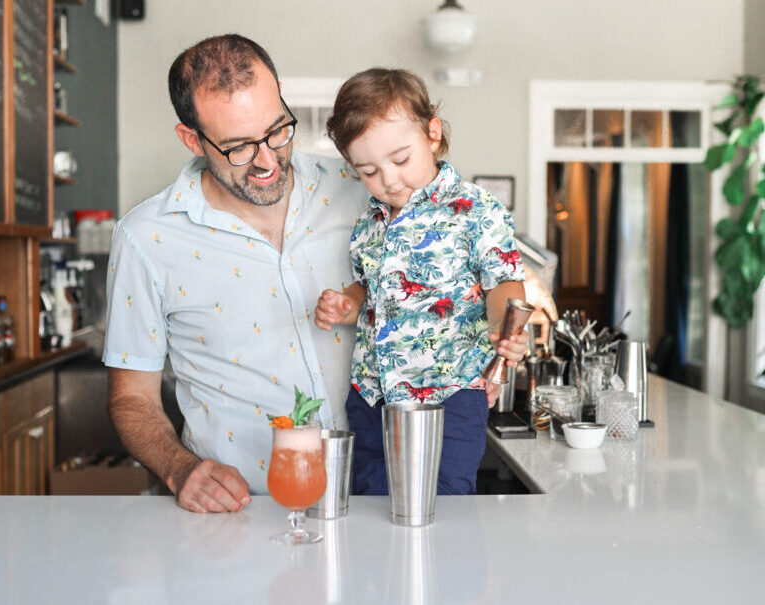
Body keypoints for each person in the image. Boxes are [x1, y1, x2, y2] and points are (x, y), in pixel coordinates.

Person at [102, 34, 370, 513]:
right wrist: (177, 466)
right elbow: (132, 397)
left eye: (277, 130)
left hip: (377, 501)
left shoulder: (359, 189)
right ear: (192, 138)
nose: (268, 160)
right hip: (240, 516)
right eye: (239, 148)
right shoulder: (145, 238)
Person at [314, 68, 528, 495]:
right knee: (373, 507)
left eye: (400, 160)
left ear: (432, 134)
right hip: (372, 394)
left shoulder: (474, 207)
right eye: (369, 171)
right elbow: (367, 286)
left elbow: (504, 282)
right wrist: (346, 304)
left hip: (449, 393)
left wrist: (502, 322)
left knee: (443, 506)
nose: (389, 180)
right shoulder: (370, 220)